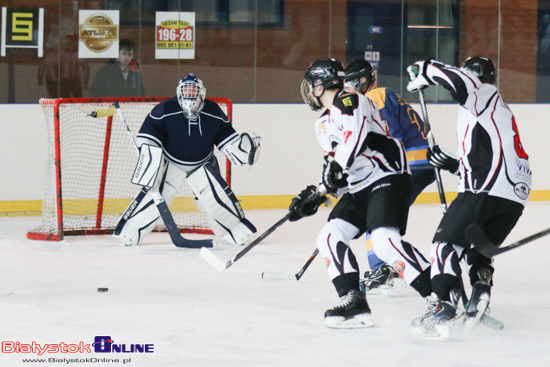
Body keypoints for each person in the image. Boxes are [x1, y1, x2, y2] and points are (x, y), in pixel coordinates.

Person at [288, 58, 432, 329]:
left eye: (311, 85)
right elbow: (337, 174)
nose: (308, 91)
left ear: (320, 85)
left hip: (387, 178)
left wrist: (332, 173)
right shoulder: (322, 124)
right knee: (329, 236)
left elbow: (352, 142)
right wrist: (315, 196)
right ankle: (353, 301)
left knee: (384, 242)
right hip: (360, 187)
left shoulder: (352, 101)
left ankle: (440, 295)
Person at [406, 56, 532, 338]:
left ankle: (443, 306)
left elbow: (460, 82)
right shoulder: (497, 110)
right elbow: (493, 156)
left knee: (444, 247)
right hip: (513, 198)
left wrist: (426, 69)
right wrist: (454, 165)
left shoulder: (481, 92)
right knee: (476, 250)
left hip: (484, 191)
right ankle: (480, 288)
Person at [114, 74, 261, 247]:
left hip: (203, 163)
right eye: (186, 89)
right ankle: (132, 229)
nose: (190, 93)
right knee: (156, 196)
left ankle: (235, 230)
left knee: (215, 199)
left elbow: (225, 136)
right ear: (179, 91)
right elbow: (150, 132)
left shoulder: (213, 111)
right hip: (171, 162)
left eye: (193, 89)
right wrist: (148, 150)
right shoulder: (165, 108)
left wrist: (242, 150)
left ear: (202, 92)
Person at [344, 59, 436, 296]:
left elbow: (390, 136)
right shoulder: (377, 96)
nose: (348, 90)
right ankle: (386, 266)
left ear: (362, 81)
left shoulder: (375, 96)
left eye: (351, 84)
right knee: (382, 214)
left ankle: (382, 271)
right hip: (420, 162)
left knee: (376, 213)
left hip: (410, 162)